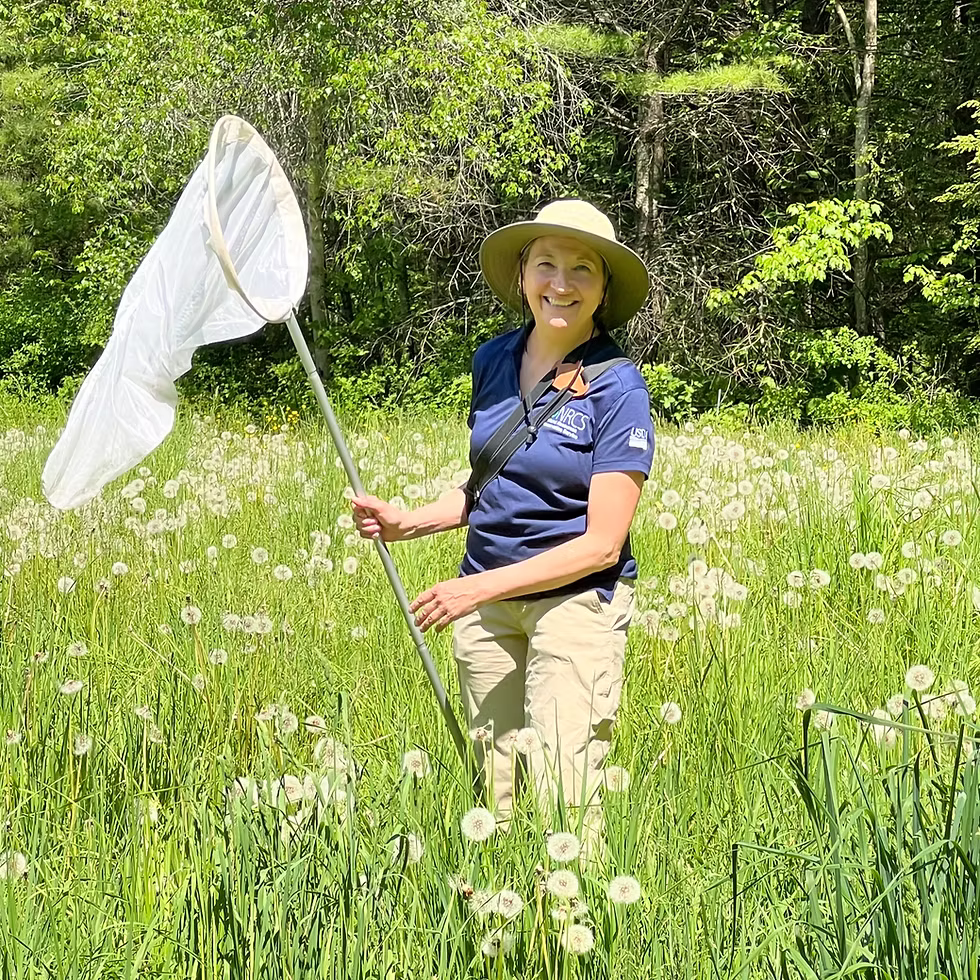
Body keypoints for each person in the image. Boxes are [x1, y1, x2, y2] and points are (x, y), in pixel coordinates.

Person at [352, 200, 653, 843]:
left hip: (573, 605)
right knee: (498, 786)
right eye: (546, 264)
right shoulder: (492, 361)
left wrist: (476, 589)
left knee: (563, 789)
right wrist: (408, 521)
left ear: (602, 291)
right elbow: (486, 486)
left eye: (582, 270)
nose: (561, 284)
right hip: (489, 606)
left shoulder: (618, 385)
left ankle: (575, 924)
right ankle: (499, 921)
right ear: (522, 276)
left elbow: (602, 545)